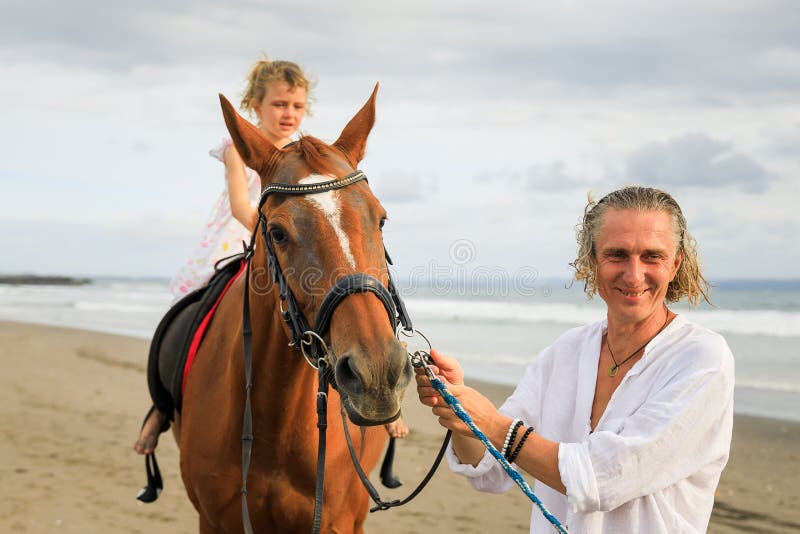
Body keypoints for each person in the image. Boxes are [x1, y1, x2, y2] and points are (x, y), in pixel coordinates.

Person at [416, 186, 734, 533]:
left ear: (675, 264)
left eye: (651, 256)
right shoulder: (564, 352)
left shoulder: (702, 358)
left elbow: (604, 477)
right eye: (617, 254)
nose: (633, 274)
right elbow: (490, 470)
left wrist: (491, 424)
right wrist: (457, 406)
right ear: (591, 261)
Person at [134, 57, 408, 457]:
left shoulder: (311, 158)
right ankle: (163, 404)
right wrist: (269, 234)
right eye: (279, 104)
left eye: (296, 106)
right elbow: (240, 205)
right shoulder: (239, 149)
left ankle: (381, 390)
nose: (288, 113)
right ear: (256, 105)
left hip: (297, 246)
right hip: (248, 235)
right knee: (189, 307)